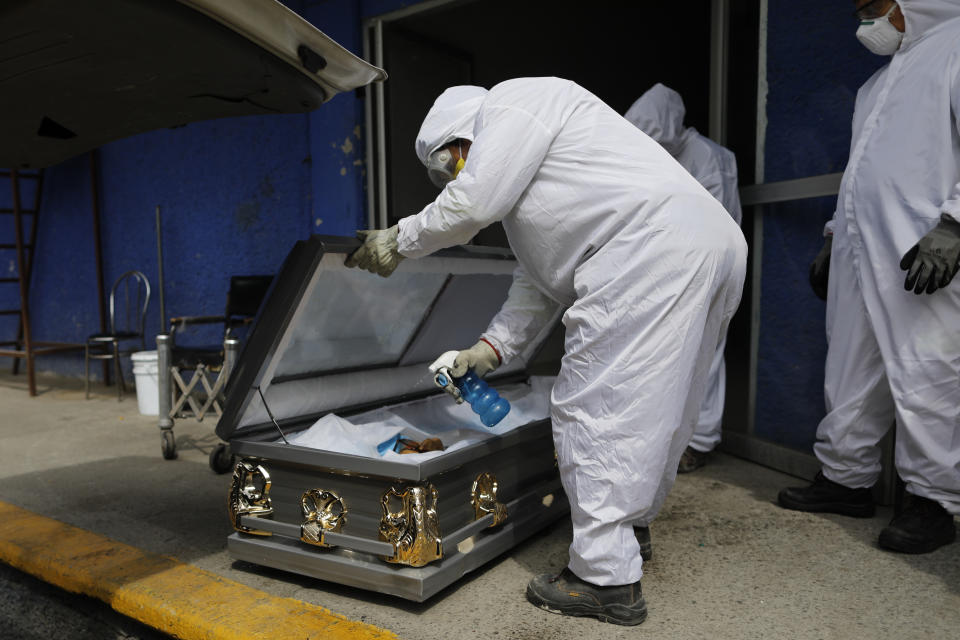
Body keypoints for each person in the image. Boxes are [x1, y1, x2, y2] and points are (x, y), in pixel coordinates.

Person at [346, 78, 746, 625]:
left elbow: (471, 203)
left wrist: (402, 237)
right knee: (660, 407)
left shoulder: (513, 101)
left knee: (594, 410)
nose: (454, 179)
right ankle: (627, 532)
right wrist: (488, 350)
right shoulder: (551, 182)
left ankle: (604, 579)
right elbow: (535, 285)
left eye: (453, 164)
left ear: (466, 134)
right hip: (707, 243)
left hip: (648, 248)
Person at [778, 0, 960, 554]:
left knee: (926, 368)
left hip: (924, 247)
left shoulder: (955, 49)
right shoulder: (875, 85)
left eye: (876, 7)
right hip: (861, 246)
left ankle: (934, 500)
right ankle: (845, 478)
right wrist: (835, 236)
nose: (867, 23)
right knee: (850, 364)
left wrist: (955, 223)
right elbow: (860, 169)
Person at [624, 83, 743, 473]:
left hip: (709, 271)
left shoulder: (707, 156)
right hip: (669, 274)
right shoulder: (653, 156)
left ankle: (702, 441)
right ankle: (667, 443)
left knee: (704, 357)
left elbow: (716, 223)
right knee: (668, 360)